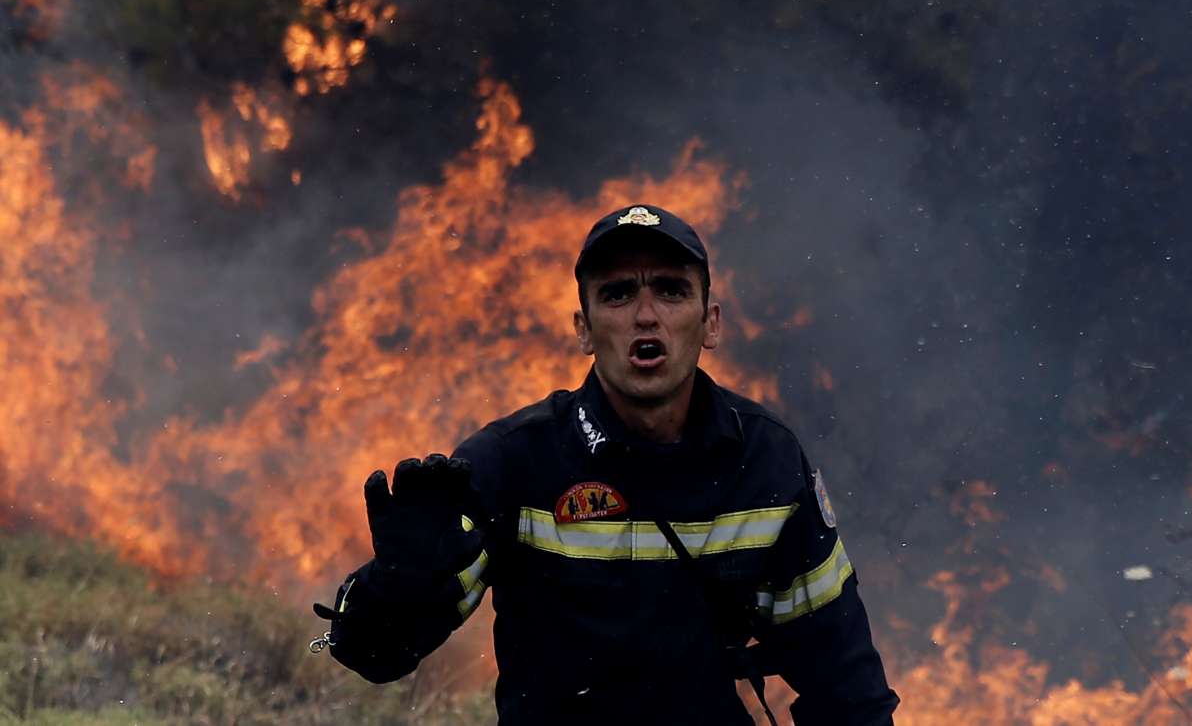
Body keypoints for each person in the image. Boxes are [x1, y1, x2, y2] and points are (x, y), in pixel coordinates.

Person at [312, 204, 900, 725]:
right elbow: (376, 654)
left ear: (710, 323)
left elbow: (844, 685)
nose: (646, 315)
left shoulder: (766, 464)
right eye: (617, 294)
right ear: (584, 330)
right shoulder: (512, 462)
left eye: (671, 291)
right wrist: (398, 585)